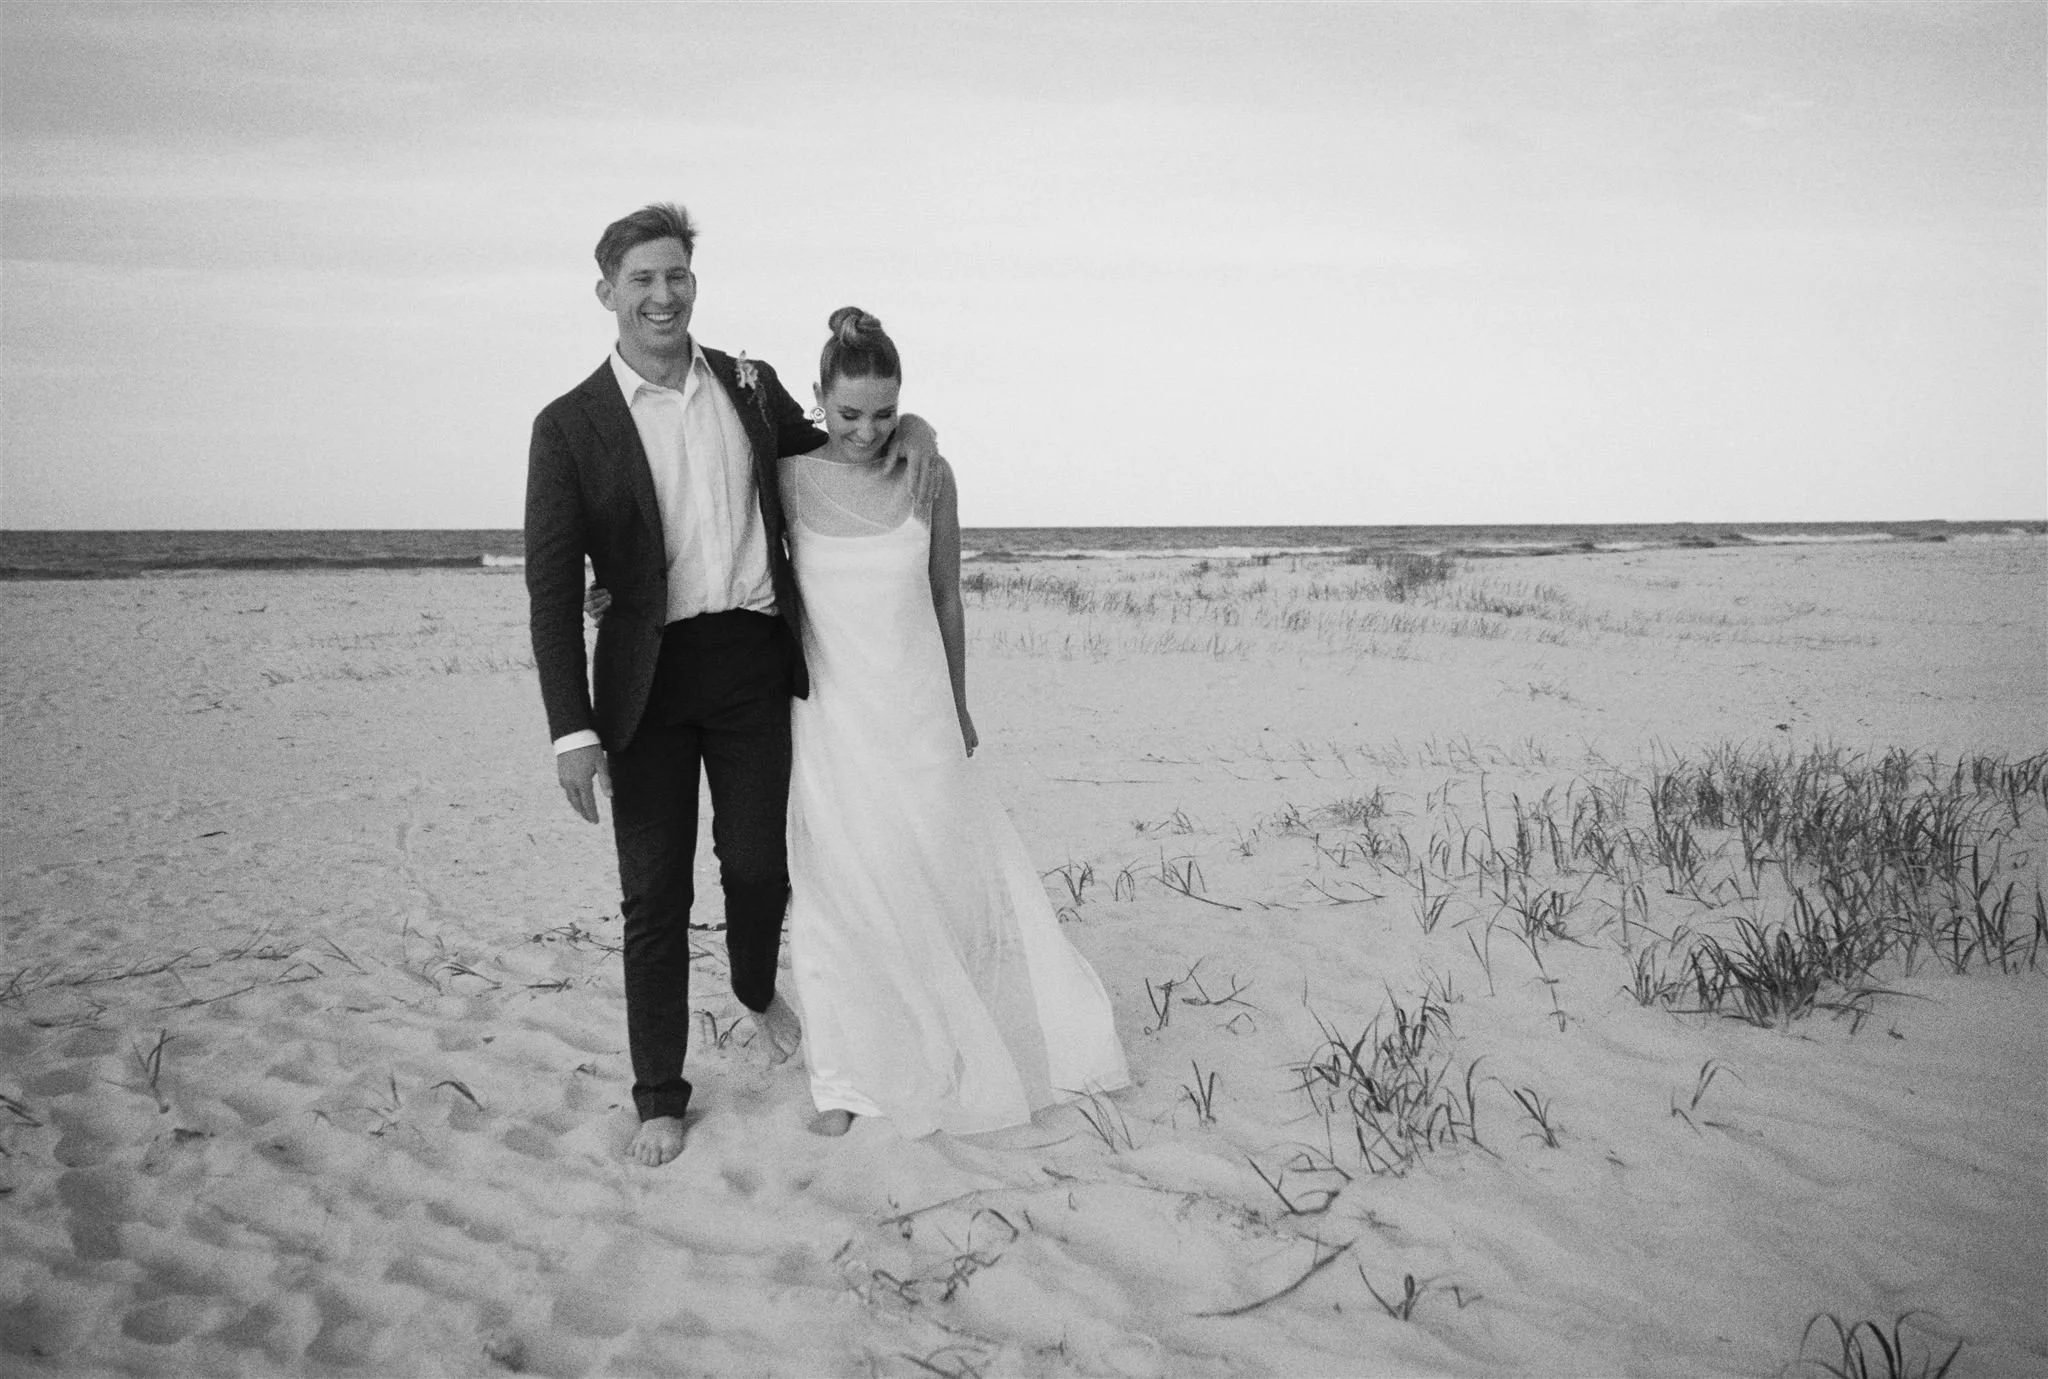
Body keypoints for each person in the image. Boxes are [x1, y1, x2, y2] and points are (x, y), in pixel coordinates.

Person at [523, 204, 939, 1167]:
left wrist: (913, 423)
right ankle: (661, 1094)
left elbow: (842, 440)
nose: (662, 296)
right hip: (646, 684)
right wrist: (570, 731)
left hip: (753, 665)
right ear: (607, 295)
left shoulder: (749, 388)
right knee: (653, 895)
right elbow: (552, 592)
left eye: (676, 276)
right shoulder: (568, 427)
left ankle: (755, 987)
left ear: (693, 284)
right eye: (641, 281)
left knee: (759, 868)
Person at [777, 307, 1129, 1137]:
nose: (867, 431)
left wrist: (960, 704)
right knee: (837, 896)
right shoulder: (786, 478)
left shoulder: (930, 474)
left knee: (938, 881)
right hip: (828, 716)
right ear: (818, 398)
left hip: (920, 715)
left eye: (886, 412)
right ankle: (843, 1083)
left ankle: (949, 1048)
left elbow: (945, 595)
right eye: (849, 412)